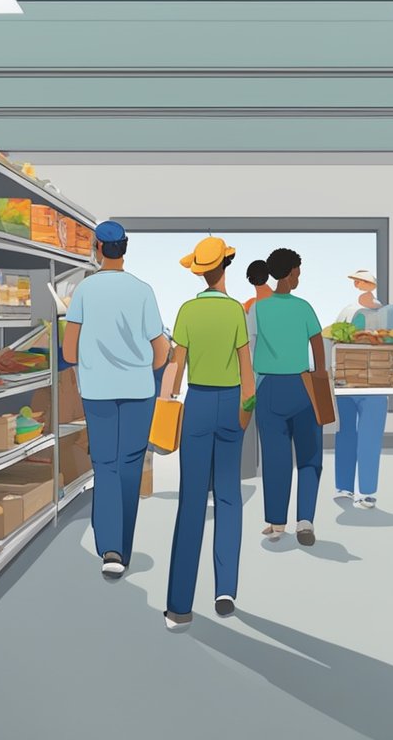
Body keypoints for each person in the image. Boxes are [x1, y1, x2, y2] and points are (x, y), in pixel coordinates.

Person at [61, 221, 169, 579]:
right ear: (125, 248)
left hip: (98, 393)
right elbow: (161, 350)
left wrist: (94, 364)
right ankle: (123, 546)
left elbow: (69, 349)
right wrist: (140, 368)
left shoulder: (84, 292)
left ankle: (110, 548)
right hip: (138, 392)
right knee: (130, 466)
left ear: (96, 249)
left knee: (105, 465)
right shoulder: (143, 290)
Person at [160, 237, 255, 631]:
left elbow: (174, 368)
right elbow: (246, 370)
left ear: (199, 270)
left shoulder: (186, 311)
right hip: (231, 403)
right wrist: (246, 412)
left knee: (192, 501)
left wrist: (166, 403)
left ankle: (180, 606)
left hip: (197, 404)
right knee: (230, 497)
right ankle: (225, 591)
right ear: (227, 265)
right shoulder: (235, 311)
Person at [252, 248, 326, 546]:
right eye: (298, 270)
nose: (299, 276)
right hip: (302, 387)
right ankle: (305, 521)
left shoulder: (258, 309)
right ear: (291, 272)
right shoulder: (304, 307)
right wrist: (320, 375)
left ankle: (277, 522)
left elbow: (248, 349)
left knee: (274, 457)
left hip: (268, 388)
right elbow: (317, 344)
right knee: (309, 455)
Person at [333, 270, 393, 509]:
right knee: (346, 433)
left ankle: (366, 491)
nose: (359, 285)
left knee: (369, 437)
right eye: (357, 281)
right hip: (348, 383)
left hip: (377, 384)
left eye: (362, 281)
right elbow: (336, 344)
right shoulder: (347, 311)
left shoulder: (390, 312)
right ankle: (345, 487)